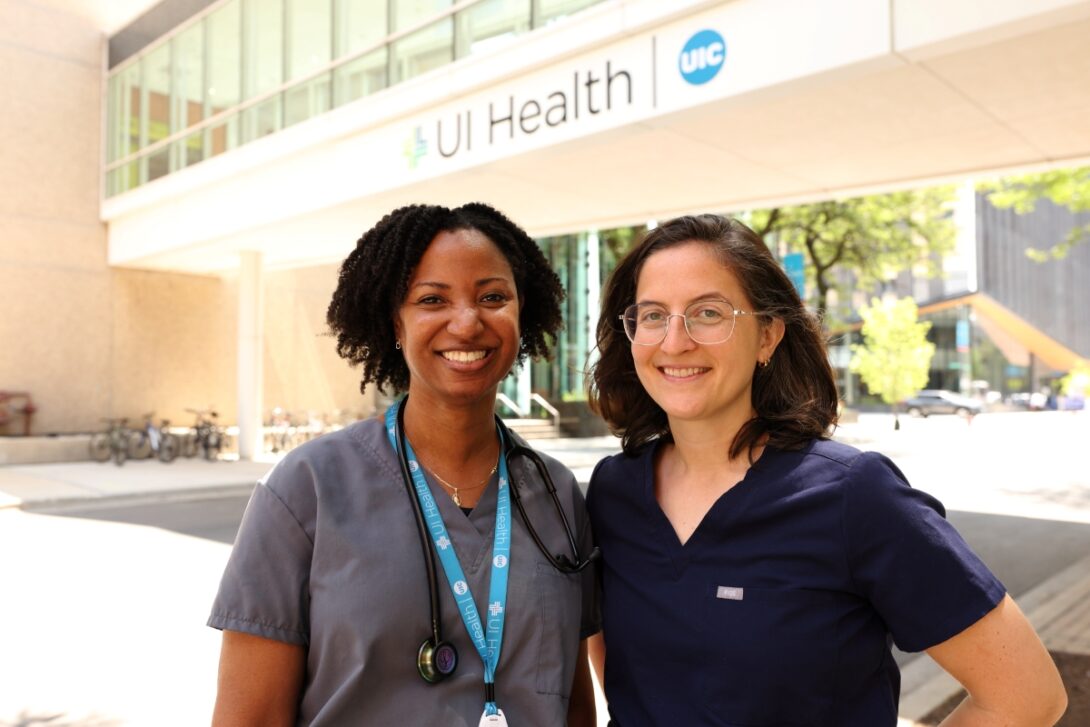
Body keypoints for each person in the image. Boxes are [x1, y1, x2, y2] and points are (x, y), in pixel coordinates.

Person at [585, 214, 1067, 726]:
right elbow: (626, 687)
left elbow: (1027, 696)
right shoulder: (613, 493)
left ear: (767, 336)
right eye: (653, 315)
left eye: (708, 313)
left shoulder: (854, 496)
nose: (674, 341)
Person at [208, 203, 599, 726]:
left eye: (492, 297)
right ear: (396, 321)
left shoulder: (556, 494)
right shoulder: (307, 490)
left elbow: (573, 704)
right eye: (432, 299)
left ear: (520, 312)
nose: (467, 322)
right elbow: (249, 718)